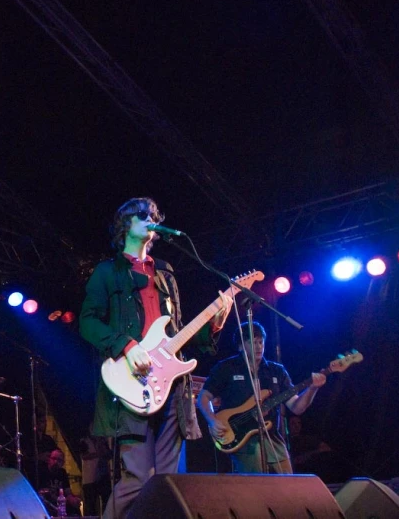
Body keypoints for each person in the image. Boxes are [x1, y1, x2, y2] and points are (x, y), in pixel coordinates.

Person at [80, 197, 231, 519]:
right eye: (142, 215)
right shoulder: (107, 272)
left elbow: (176, 333)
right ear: (125, 225)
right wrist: (127, 346)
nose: (150, 219)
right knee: (137, 479)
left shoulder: (165, 273)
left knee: (168, 481)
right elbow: (89, 322)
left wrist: (214, 325)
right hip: (130, 384)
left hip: (171, 385)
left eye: (153, 215)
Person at [198, 321, 326, 474]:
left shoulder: (276, 371)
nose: (259, 346)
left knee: (288, 485)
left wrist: (312, 389)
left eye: (261, 342)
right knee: (257, 484)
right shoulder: (226, 368)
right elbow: (203, 397)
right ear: (241, 345)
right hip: (241, 437)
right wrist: (212, 420)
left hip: (272, 437)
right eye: (253, 341)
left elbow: (297, 407)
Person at [37, 448, 82, 516]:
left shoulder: (62, 473)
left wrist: (73, 500)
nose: (55, 462)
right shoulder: (43, 471)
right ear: (49, 459)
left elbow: (68, 492)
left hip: (60, 503)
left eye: (59, 460)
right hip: (48, 503)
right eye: (54, 458)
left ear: (63, 463)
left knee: (75, 509)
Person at [80, 425, 112, 516]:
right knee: (90, 506)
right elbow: (84, 456)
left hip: (102, 477)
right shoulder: (84, 441)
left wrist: (101, 445)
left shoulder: (102, 441)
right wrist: (98, 454)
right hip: (89, 479)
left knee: (106, 502)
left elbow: (109, 455)